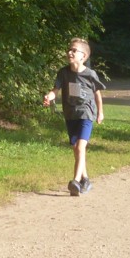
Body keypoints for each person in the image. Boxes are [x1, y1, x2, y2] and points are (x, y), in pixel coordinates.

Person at [43, 38, 105, 196]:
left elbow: (97, 94)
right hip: (70, 114)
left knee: (80, 146)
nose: (69, 52)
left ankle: (75, 181)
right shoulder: (63, 73)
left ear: (83, 56)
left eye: (74, 50)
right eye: (69, 50)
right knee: (76, 148)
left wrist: (100, 112)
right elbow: (55, 90)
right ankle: (85, 179)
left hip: (86, 113)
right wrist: (49, 97)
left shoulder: (90, 74)